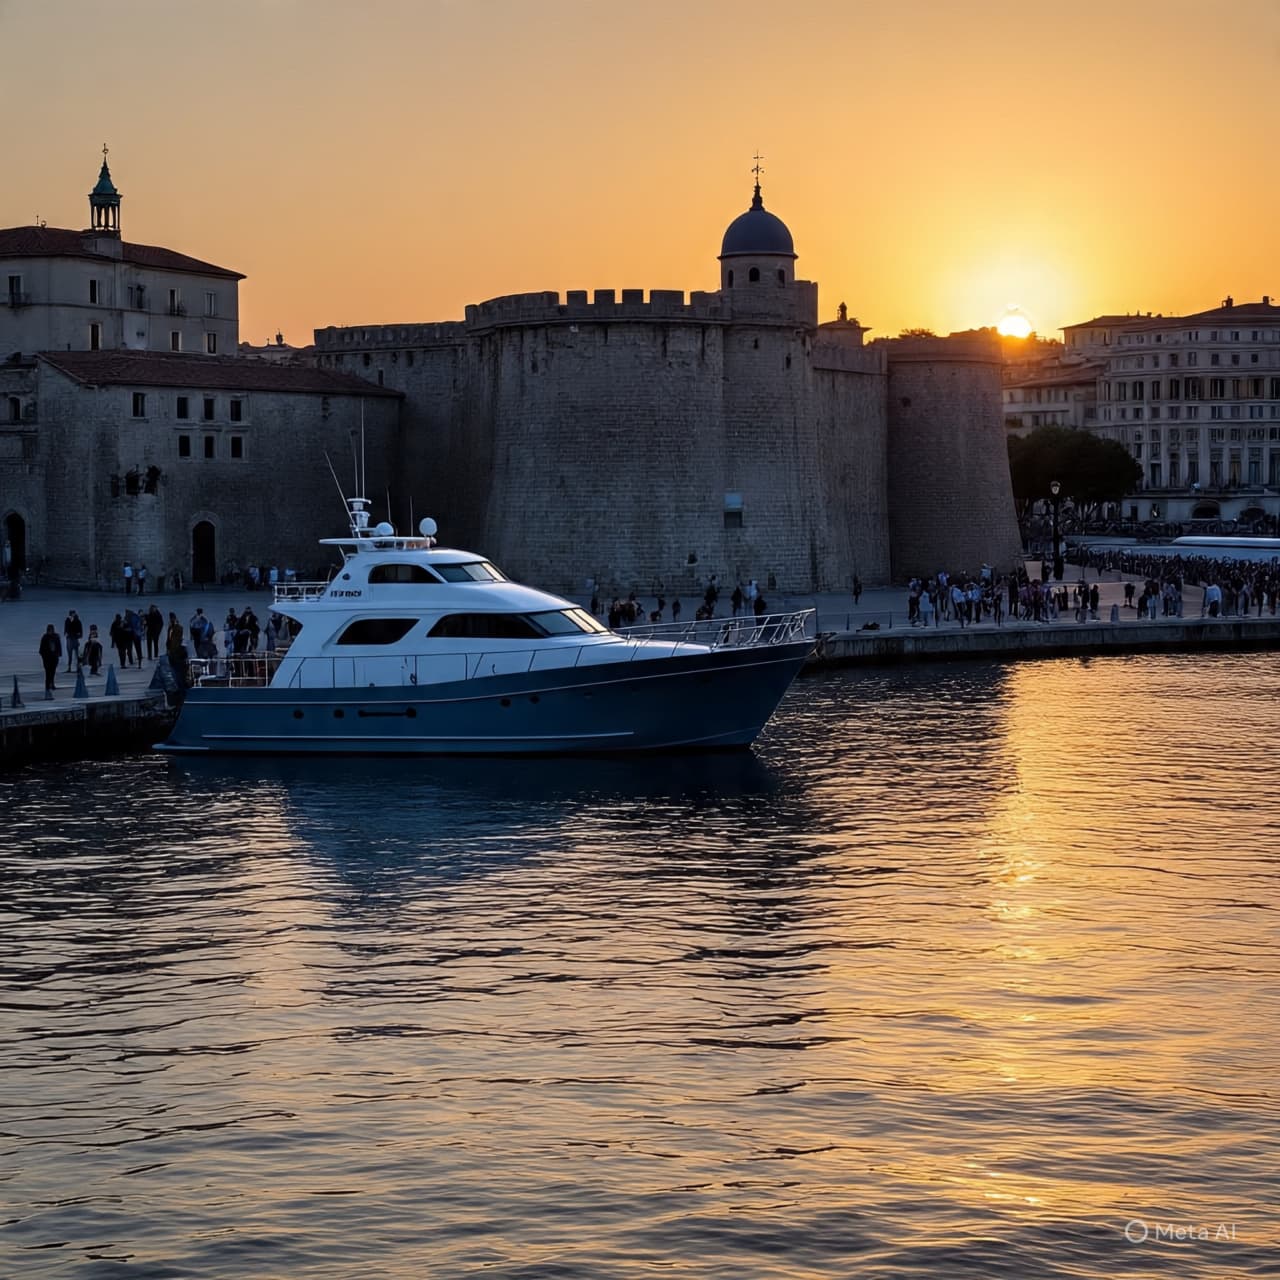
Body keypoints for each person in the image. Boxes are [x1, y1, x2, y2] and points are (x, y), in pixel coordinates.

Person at [39, 623, 62, 692]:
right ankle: (47, 686)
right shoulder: (45, 637)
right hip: (47, 658)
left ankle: (51, 684)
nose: (50, 631)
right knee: (48, 673)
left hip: (54, 657)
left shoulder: (56, 637)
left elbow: (59, 646)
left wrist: (58, 654)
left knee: (52, 672)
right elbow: (41, 650)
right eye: (49, 630)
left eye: (51, 630)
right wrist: (44, 657)